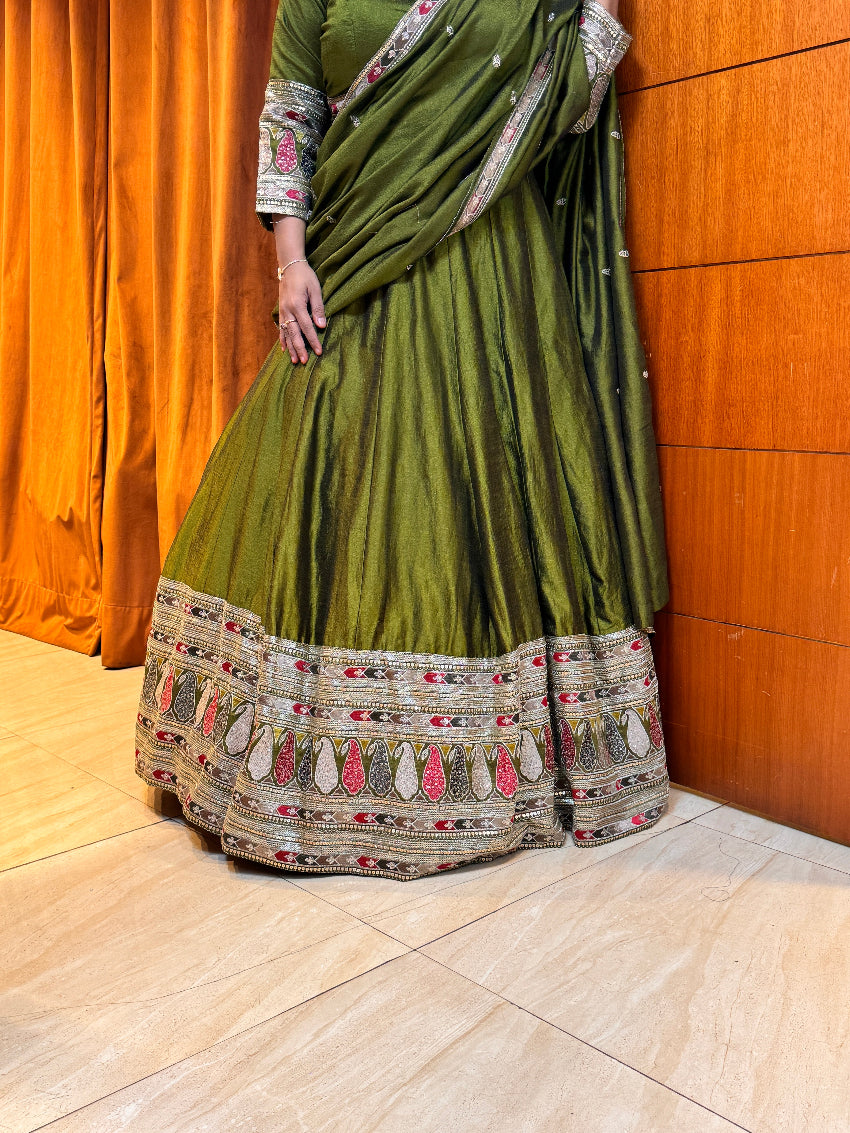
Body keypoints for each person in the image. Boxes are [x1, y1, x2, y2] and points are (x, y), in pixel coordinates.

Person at [135, 0, 670, 881]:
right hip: (352, 259)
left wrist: (600, 22)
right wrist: (290, 261)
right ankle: (292, 767)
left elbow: (570, 99)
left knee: (485, 495)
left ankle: (500, 762)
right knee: (333, 494)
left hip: (496, 264)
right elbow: (292, 112)